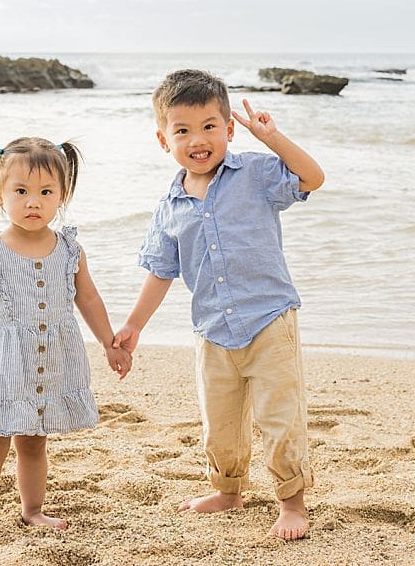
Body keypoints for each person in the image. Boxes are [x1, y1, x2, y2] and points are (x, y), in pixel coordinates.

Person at [113, 69, 324, 541]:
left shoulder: (257, 174)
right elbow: (161, 272)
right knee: (220, 422)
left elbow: (312, 177)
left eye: (209, 126)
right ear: (163, 140)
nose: (198, 139)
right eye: (182, 130)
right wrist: (134, 325)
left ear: (229, 129)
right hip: (211, 329)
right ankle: (228, 491)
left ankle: (291, 503)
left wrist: (272, 138)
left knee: (280, 418)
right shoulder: (170, 206)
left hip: (270, 320)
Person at [0, 136, 131, 544]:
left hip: (48, 365)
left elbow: (88, 298)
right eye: (21, 192)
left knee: (34, 442)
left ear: (62, 195)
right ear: (0, 193)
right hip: (1, 367)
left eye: (46, 192)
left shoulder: (69, 249)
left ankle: (32, 510)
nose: (33, 202)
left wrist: (109, 342)